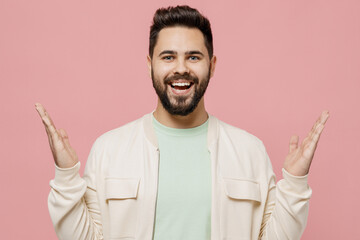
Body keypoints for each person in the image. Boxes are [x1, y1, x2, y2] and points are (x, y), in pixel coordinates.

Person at [35, 5, 329, 240]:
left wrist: (294, 183)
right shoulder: (109, 149)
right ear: (150, 64)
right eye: (168, 57)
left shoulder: (249, 151)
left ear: (211, 66)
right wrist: (66, 176)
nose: (180, 69)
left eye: (193, 57)